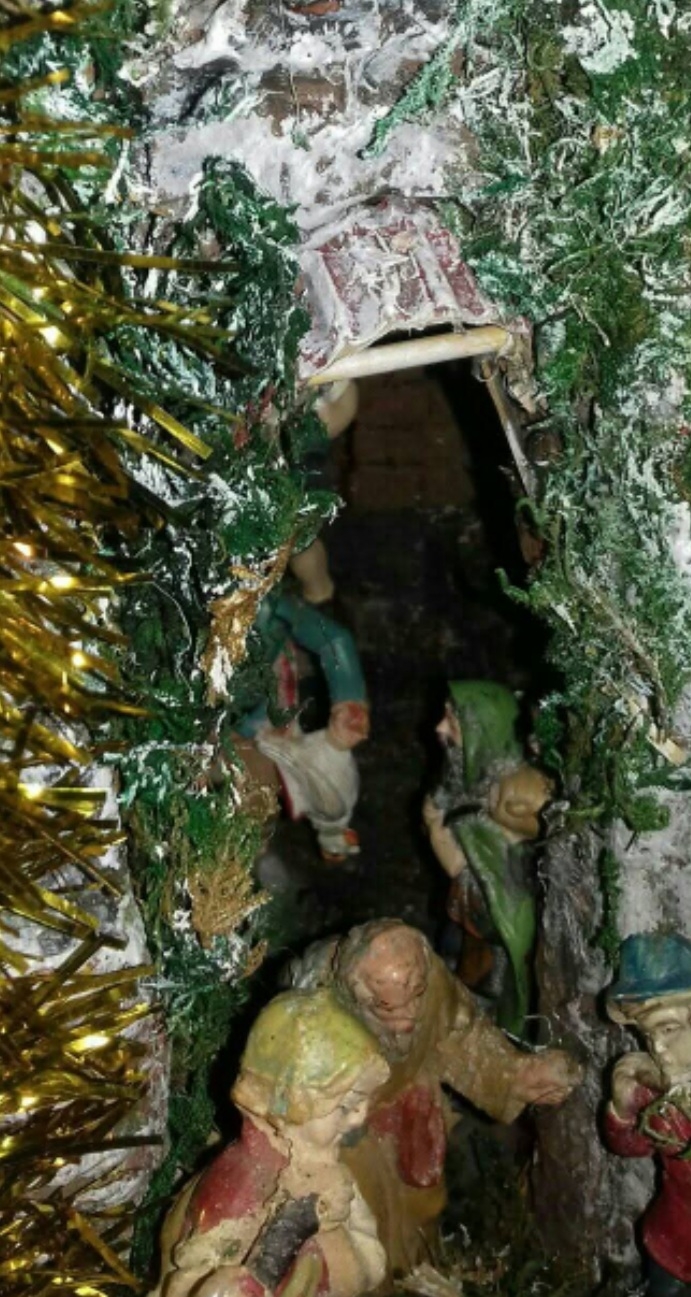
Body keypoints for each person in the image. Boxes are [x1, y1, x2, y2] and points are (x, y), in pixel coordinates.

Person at [287, 919, 581, 1282]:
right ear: (358, 995)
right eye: (388, 1008)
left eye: (417, 995)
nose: (410, 1017)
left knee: (423, 1202)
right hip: (346, 1131)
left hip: (409, 1104)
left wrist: (516, 1076)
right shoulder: (317, 1006)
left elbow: (460, 1033)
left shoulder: (430, 983)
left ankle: (417, 1270)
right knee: (360, 1216)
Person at [153, 988, 389, 1297]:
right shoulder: (239, 1190)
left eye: (363, 1102)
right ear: (288, 1109)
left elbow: (369, 1263)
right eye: (345, 1107)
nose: (359, 1118)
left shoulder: (323, 1171)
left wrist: (335, 1221)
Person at [422, 680, 553, 1035]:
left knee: (494, 984)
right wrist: (435, 821)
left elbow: (534, 826)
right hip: (468, 911)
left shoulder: (512, 790)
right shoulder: (461, 784)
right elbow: (456, 863)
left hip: (497, 918)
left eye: (452, 722)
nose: (440, 729)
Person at [605, 933, 691, 1297]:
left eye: (668, 1030)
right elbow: (631, 1146)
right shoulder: (654, 1091)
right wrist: (622, 1108)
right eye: (646, 1033)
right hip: (673, 1239)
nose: (657, 1047)